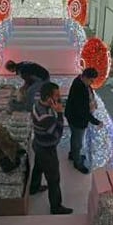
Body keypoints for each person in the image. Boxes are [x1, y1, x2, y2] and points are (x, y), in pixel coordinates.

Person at [30, 82, 73, 215]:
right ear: (49, 98)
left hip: (38, 143)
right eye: (57, 96)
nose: (59, 98)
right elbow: (58, 135)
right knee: (54, 179)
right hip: (47, 149)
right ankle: (56, 206)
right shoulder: (45, 117)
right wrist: (60, 114)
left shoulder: (38, 104)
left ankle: (34, 188)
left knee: (38, 167)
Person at [65, 68, 103, 174]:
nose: (92, 83)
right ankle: (77, 163)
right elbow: (83, 111)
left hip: (74, 115)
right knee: (78, 142)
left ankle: (73, 154)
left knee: (75, 137)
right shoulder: (79, 88)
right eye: (91, 80)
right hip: (77, 119)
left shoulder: (80, 81)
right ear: (85, 77)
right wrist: (96, 122)